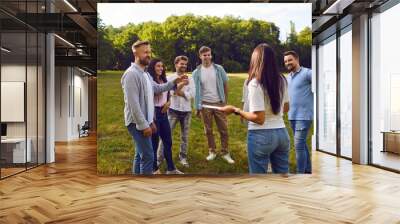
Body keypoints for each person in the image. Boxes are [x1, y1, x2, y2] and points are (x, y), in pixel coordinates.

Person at [219, 43, 290, 174]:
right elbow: (286, 108)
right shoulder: (282, 80)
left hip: (261, 136)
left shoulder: (255, 83)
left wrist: (236, 110)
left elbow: (259, 118)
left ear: (255, 60)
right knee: (283, 180)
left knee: (258, 182)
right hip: (282, 134)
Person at [121, 40, 187, 175]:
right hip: (136, 122)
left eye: (149, 52)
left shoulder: (144, 74)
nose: (148, 55)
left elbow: (157, 88)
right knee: (149, 156)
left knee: (140, 155)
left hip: (146, 120)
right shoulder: (131, 74)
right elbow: (133, 104)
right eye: (145, 52)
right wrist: (144, 125)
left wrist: (175, 82)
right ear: (135, 53)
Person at [192, 46, 234, 164]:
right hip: (205, 104)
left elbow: (226, 84)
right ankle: (212, 151)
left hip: (219, 103)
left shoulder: (219, 69)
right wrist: (197, 107)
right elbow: (196, 91)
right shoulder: (196, 72)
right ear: (200, 56)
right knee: (208, 130)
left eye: (209, 54)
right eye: (204, 55)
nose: (207, 57)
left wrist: (225, 101)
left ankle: (225, 152)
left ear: (211, 55)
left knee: (224, 129)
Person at [157, 56, 195, 168]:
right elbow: (171, 93)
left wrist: (180, 92)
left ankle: (183, 157)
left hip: (186, 111)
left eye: (185, 64)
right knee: (165, 135)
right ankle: (159, 158)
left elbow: (192, 94)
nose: (183, 66)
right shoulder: (169, 78)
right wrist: (182, 86)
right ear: (176, 64)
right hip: (172, 110)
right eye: (181, 63)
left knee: (185, 137)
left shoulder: (191, 79)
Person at [148, 58, 184, 175]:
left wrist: (168, 102)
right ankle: (154, 169)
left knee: (168, 141)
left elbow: (171, 92)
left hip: (164, 113)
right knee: (154, 142)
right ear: (153, 67)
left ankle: (171, 168)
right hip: (154, 113)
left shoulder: (164, 79)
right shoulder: (150, 81)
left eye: (162, 66)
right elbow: (158, 92)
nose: (160, 68)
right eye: (158, 66)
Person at [284, 50, 313, 174]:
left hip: (304, 116)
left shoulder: (308, 73)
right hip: (292, 115)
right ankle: (307, 170)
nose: (287, 63)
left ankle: (300, 174)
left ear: (297, 59)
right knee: (302, 145)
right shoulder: (288, 77)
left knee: (298, 146)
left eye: (290, 60)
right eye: (285, 61)